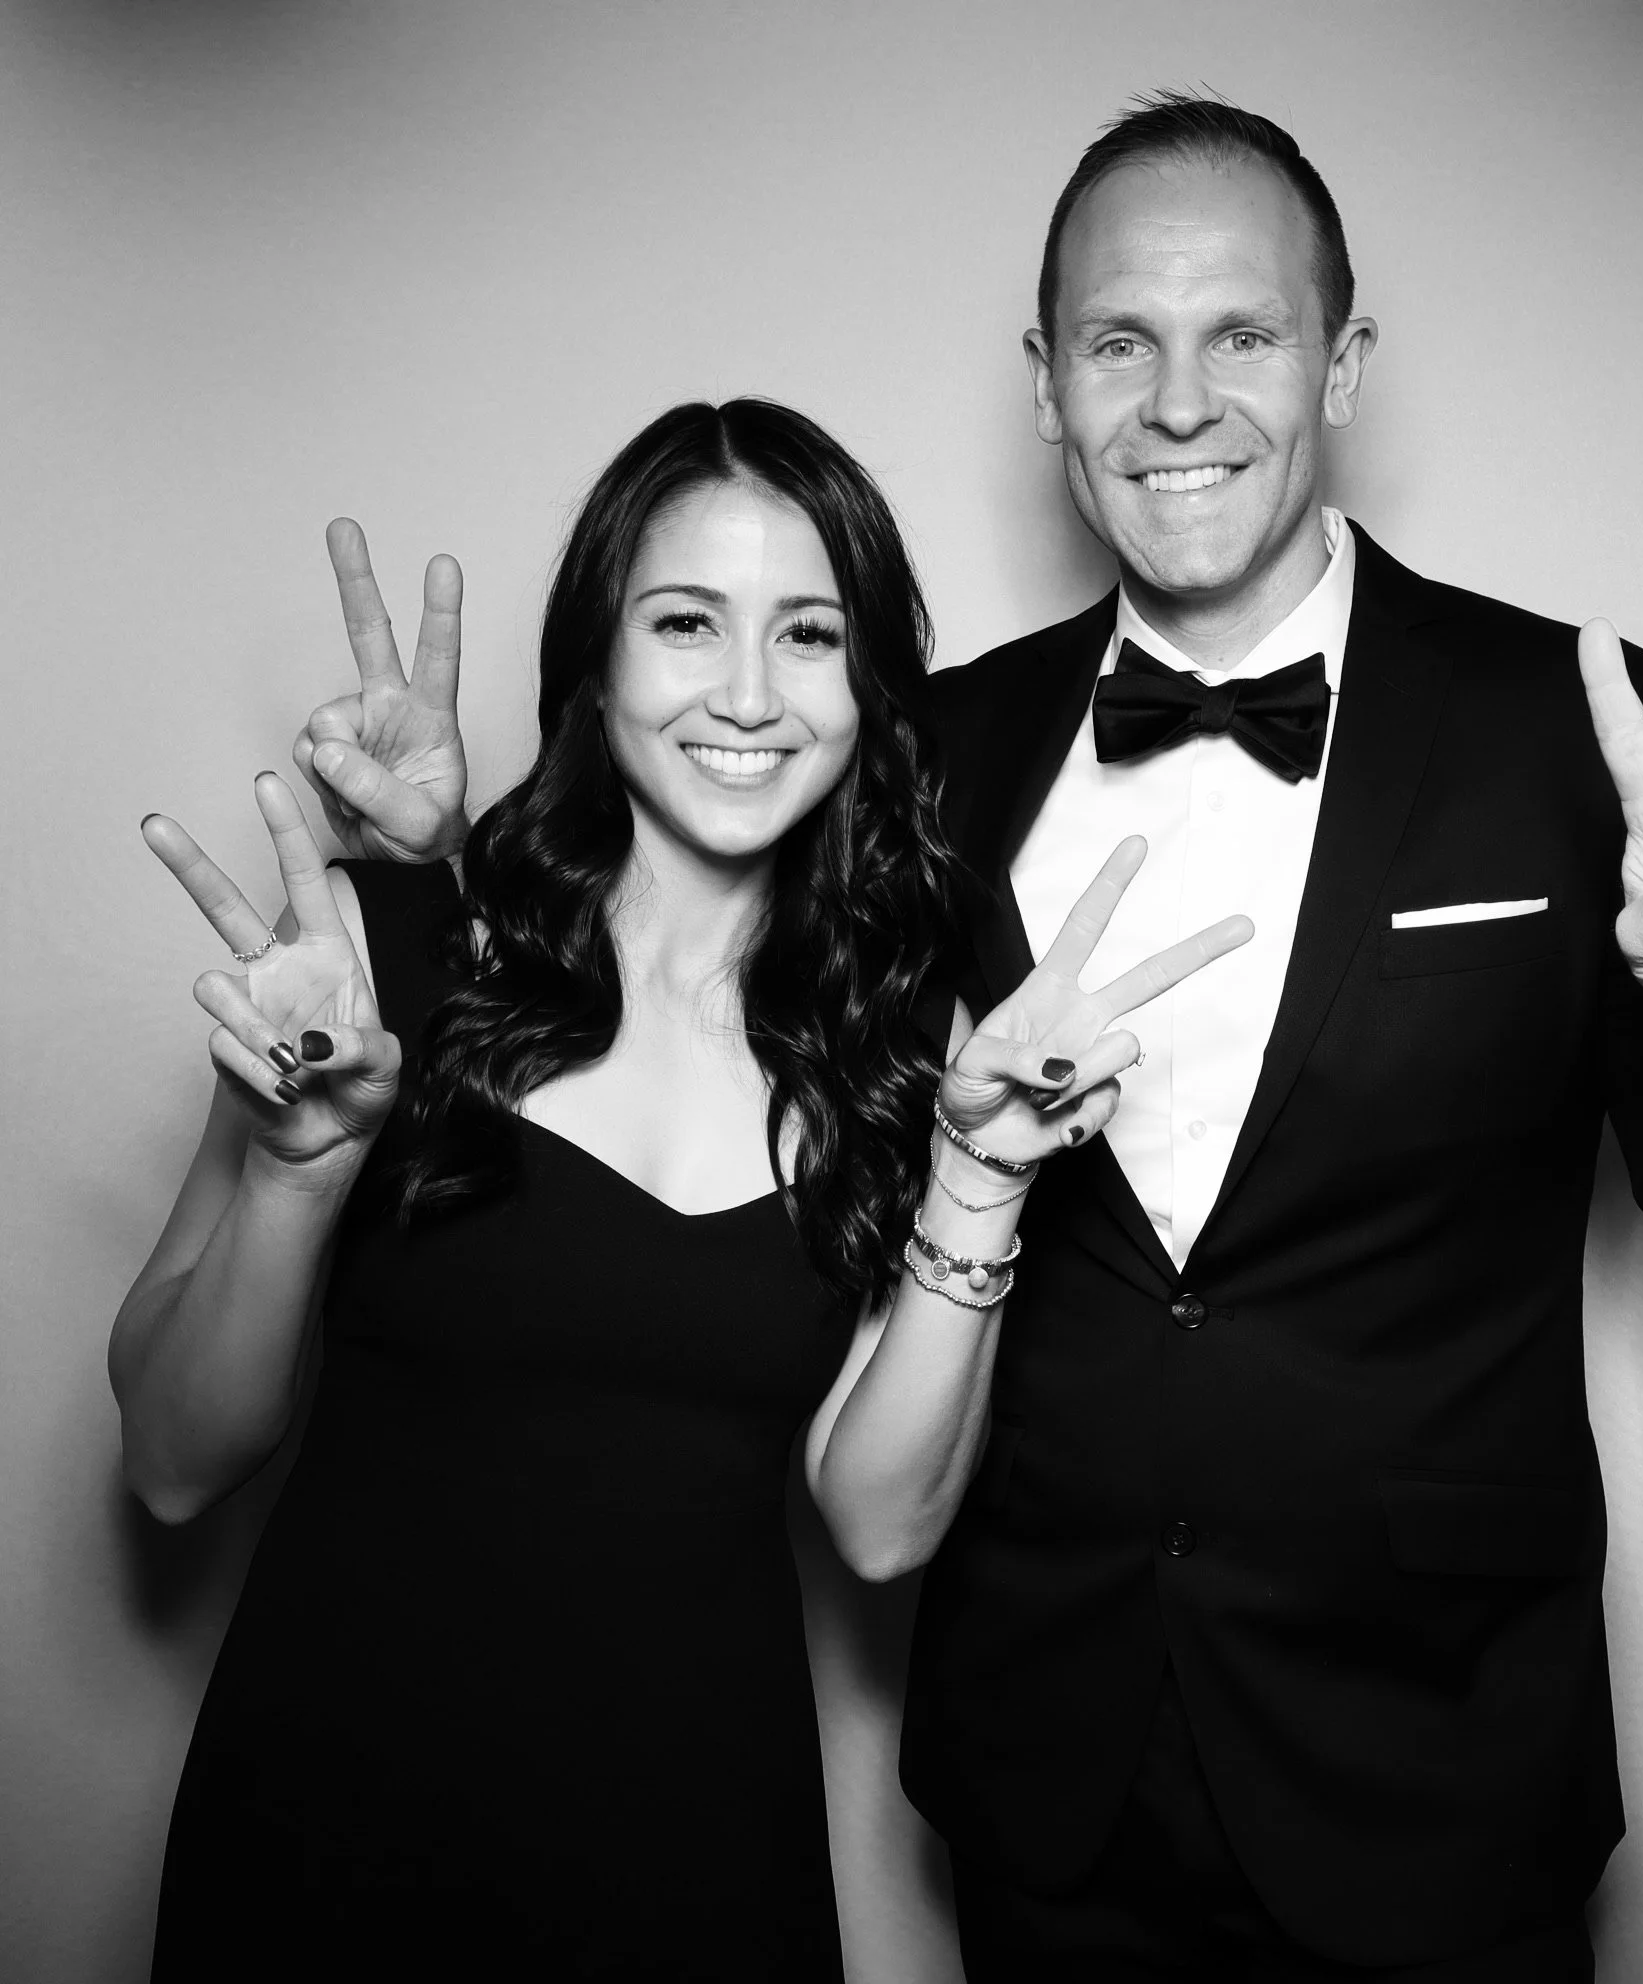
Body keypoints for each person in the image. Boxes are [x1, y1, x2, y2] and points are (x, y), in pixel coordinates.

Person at [284, 99, 1643, 1983]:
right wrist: (410, 890)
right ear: (1047, 384)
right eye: (1121, 341)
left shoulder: (1572, 725)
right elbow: (638, 990)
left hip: (1442, 1774)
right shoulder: (924, 753)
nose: (1179, 401)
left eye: (1247, 336)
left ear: (1345, 363)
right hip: (1048, 1785)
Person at [112, 397, 1250, 1979]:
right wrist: (301, 1174)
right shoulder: (384, 963)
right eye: (685, 623)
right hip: (319, 1835)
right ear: (598, 658)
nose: (743, 694)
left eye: (806, 634)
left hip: (696, 1866)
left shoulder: (900, 1057)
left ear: (868, 688)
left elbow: (878, 1526)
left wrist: (983, 1175)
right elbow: (171, 1461)